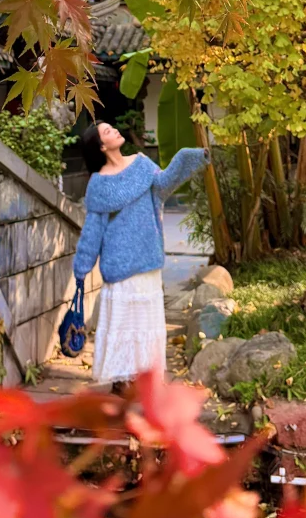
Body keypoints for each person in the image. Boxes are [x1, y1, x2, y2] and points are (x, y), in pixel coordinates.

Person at [71, 120, 209, 388]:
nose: (115, 131)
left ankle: (144, 379)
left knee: (145, 323)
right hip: (119, 263)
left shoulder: (142, 163)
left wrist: (187, 159)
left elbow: (164, 185)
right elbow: (93, 230)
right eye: (108, 131)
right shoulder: (99, 184)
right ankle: (121, 380)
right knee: (123, 324)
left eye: (113, 128)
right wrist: (82, 267)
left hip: (147, 257)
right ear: (101, 146)